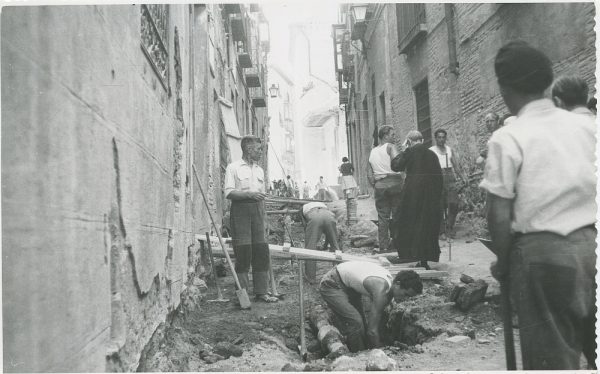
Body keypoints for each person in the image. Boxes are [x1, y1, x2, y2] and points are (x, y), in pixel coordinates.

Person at [481, 41, 596, 370]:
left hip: (545, 258)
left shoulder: (509, 137)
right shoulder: (588, 126)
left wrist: (503, 262)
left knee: (553, 360)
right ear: (549, 82)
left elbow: (499, 213)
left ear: (504, 89)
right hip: (594, 244)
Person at [319, 263, 422, 352]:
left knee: (362, 325)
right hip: (331, 283)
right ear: (398, 284)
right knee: (356, 322)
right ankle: (358, 356)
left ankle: (362, 348)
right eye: (406, 294)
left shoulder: (390, 287)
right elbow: (372, 331)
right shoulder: (381, 290)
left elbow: (377, 322)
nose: (405, 299)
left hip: (350, 286)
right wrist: (381, 353)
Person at [224, 135, 278, 303]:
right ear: (248, 149)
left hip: (258, 212)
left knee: (261, 251)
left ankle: (262, 292)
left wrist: (265, 219)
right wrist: (249, 194)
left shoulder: (260, 170)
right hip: (240, 211)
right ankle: (243, 293)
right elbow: (228, 192)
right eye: (258, 149)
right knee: (243, 252)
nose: (261, 152)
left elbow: (261, 196)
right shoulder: (233, 168)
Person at [389, 130, 443, 270]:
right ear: (422, 140)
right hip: (430, 196)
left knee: (405, 222)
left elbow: (395, 166)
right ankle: (424, 259)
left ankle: (410, 255)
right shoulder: (432, 154)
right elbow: (439, 177)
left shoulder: (409, 152)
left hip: (413, 195)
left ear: (409, 141)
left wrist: (404, 149)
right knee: (426, 225)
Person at [367, 125, 405, 252]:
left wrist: (376, 184)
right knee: (398, 215)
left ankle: (383, 246)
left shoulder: (372, 152)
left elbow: (369, 173)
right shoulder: (390, 147)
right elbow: (398, 163)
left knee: (383, 217)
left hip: (380, 185)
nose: (394, 137)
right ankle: (399, 244)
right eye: (392, 135)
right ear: (385, 136)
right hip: (394, 182)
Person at [429, 129, 463, 239]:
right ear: (435, 138)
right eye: (439, 137)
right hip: (437, 177)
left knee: (454, 203)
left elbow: (456, 166)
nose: (441, 139)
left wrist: (463, 177)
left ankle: (450, 228)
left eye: (443, 137)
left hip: (450, 177)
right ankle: (441, 231)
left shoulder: (449, 149)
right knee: (439, 205)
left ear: (445, 138)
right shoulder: (431, 151)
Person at [301, 201, 340, 280]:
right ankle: (339, 275)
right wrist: (325, 246)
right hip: (329, 215)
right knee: (335, 246)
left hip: (315, 217)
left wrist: (311, 239)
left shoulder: (302, 209)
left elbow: (305, 226)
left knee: (310, 249)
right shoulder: (322, 205)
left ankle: (310, 278)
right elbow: (328, 233)